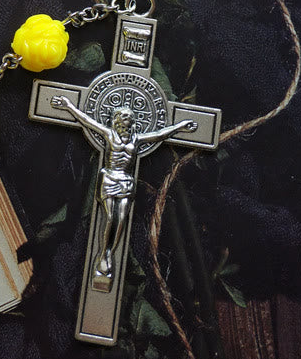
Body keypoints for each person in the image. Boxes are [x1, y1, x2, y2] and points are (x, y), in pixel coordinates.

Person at [51, 96, 197, 287]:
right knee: (109, 217)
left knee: (121, 219)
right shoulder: (110, 135)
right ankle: (103, 256)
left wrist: (180, 126)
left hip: (126, 182)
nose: (126, 120)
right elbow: (87, 121)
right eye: (123, 117)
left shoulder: (136, 139)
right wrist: (69, 106)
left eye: (129, 117)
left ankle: (108, 253)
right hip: (110, 178)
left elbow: (160, 134)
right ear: (117, 120)